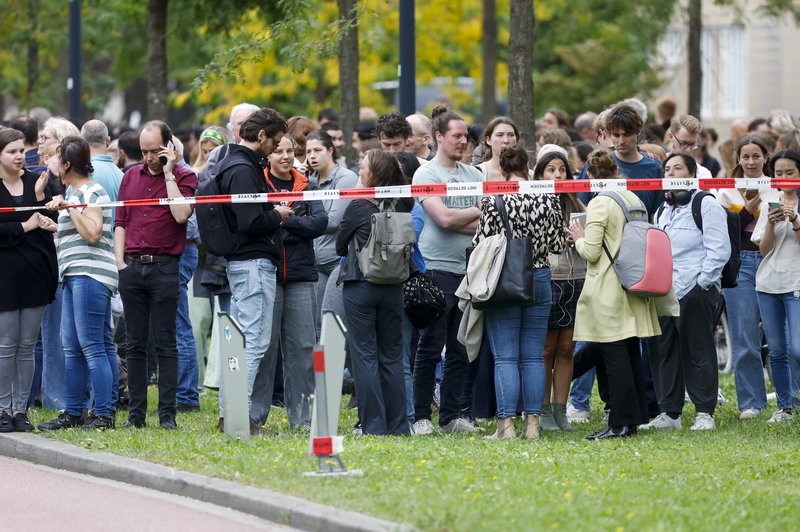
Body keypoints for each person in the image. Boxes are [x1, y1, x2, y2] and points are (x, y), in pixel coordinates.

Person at [473, 146, 565, 439]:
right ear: (528, 167)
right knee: (533, 356)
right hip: (539, 276)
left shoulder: (494, 198)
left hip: (505, 279)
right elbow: (558, 246)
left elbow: (481, 242)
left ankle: (506, 426)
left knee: (506, 357)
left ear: (501, 170)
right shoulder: (547, 198)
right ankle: (534, 425)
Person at [569, 148, 661, 439]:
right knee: (630, 350)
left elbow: (592, 252)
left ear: (591, 176)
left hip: (608, 285)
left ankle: (619, 422)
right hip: (633, 282)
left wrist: (578, 238)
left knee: (614, 355)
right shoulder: (632, 197)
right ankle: (633, 418)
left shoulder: (600, 203)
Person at [114, 121, 197, 430]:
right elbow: (120, 220)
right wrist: (120, 262)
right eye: (144, 152)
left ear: (169, 148)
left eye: (154, 151)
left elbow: (180, 215)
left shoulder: (185, 177)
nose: (148, 157)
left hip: (165, 266)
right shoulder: (129, 177)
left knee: (166, 342)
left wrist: (168, 172)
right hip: (133, 266)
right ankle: (135, 416)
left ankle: (167, 415)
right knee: (135, 343)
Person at [214, 108, 293, 434]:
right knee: (253, 342)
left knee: (242, 341)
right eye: (274, 142)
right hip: (253, 265)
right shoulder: (244, 169)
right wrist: (278, 214)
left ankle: (229, 414)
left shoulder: (229, 161)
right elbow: (249, 221)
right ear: (261, 136)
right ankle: (237, 416)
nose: (274, 149)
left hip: (241, 264)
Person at [643, 153, 731, 431]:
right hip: (664, 291)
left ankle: (705, 412)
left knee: (698, 350)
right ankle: (670, 414)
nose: (671, 174)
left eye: (677, 168)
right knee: (664, 352)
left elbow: (719, 250)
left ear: (692, 173)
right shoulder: (662, 210)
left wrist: (701, 284)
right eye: (667, 170)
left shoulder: (705, 204)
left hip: (695, 290)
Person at [38, 137, 119, 431]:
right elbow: (79, 231)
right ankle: (74, 412)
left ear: (67, 164)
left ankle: (104, 415)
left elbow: (94, 234)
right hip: (73, 274)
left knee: (92, 346)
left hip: (91, 276)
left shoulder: (91, 192)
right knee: (71, 346)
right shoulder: (75, 192)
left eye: (57, 158)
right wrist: (56, 225)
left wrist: (70, 207)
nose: (53, 164)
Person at [411, 105, 483, 435]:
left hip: (469, 269)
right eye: (456, 136)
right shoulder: (426, 175)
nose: (463, 141)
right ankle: (421, 415)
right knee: (430, 344)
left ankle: (452, 415)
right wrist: (471, 213)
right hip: (436, 269)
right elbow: (442, 219)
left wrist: (460, 219)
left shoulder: (475, 176)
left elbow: (486, 226)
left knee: (460, 346)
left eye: (466, 136)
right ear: (439, 137)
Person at [335, 149, 413, 435]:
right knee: (392, 355)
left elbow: (339, 245)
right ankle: (398, 424)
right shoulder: (403, 202)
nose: (359, 169)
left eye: (363, 167)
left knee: (364, 355)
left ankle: (373, 425)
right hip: (394, 285)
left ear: (374, 175)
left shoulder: (358, 205)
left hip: (361, 284)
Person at [256, 135, 327, 429]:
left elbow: (319, 224)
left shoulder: (307, 185)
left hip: (300, 275)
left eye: (289, 151)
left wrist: (286, 220)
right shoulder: (258, 184)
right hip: (268, 274)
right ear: (268, 156)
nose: (285, 156)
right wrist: (281, 219)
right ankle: (254, 415)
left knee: (303, 348)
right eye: (278, 151)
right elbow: (255, 224)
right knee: (264, 348)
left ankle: (303, 418)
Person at [0, 128, 57, 432]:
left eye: (22, 150)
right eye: (12, 151)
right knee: (6, 344)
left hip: (36, 272)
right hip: (5, 277)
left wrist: (40, 203)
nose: (20, 156)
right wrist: (25, 226)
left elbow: (48, 224)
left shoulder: (37, 182)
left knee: (27, 345)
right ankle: (2, 408)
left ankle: (20, 410)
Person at [718, 135, 776, 419]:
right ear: (737, 159)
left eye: (756, 156)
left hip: (772, 261)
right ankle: (751, 402)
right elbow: (728, 229)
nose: (751, 162)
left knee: (780, 336)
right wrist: (750, 207)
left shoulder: (778, 186)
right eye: (745, 156)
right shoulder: (726, 190)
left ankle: (789, 397)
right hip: (740, 263)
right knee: (744, 335)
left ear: (766, 157)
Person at [533, 147, 586, 432]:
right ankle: (542, 410)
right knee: (546, 348)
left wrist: (580, 237)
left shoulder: (577, 206)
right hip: (547, 278)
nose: (557, 175)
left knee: (567, 346)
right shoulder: (532, 203)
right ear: (539, 174)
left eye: (561, 169)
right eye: (551, 169)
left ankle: (560, 410)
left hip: (576, 278)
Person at [752, 149, 800, 422]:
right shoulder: (769, 202)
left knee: (797, 348)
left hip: (796, 283)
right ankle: (785, 407)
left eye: (789, 172)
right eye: (778, 173)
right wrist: (770, 224)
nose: (783, 177)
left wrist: (794, 219)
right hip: (768, 283)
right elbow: (763, 249)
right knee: (778, 350)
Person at [307, 130, 358, 339]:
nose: (312, 156)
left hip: (339, 261)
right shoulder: (309, 181)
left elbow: (333, 221)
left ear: (330, 150)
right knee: (317, 326)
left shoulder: (346, 178)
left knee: (333, 322)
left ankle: (344, 371)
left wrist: (297, 223)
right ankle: (323, 372)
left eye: (318, 150)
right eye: (309, 151)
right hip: (314, 261)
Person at [476, 117, 521, 182]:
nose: (506, 140)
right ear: (488, 140)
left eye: (511, 135)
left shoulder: (529, 175)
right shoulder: (476, 173)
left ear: (516, 139)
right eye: (500, 135)